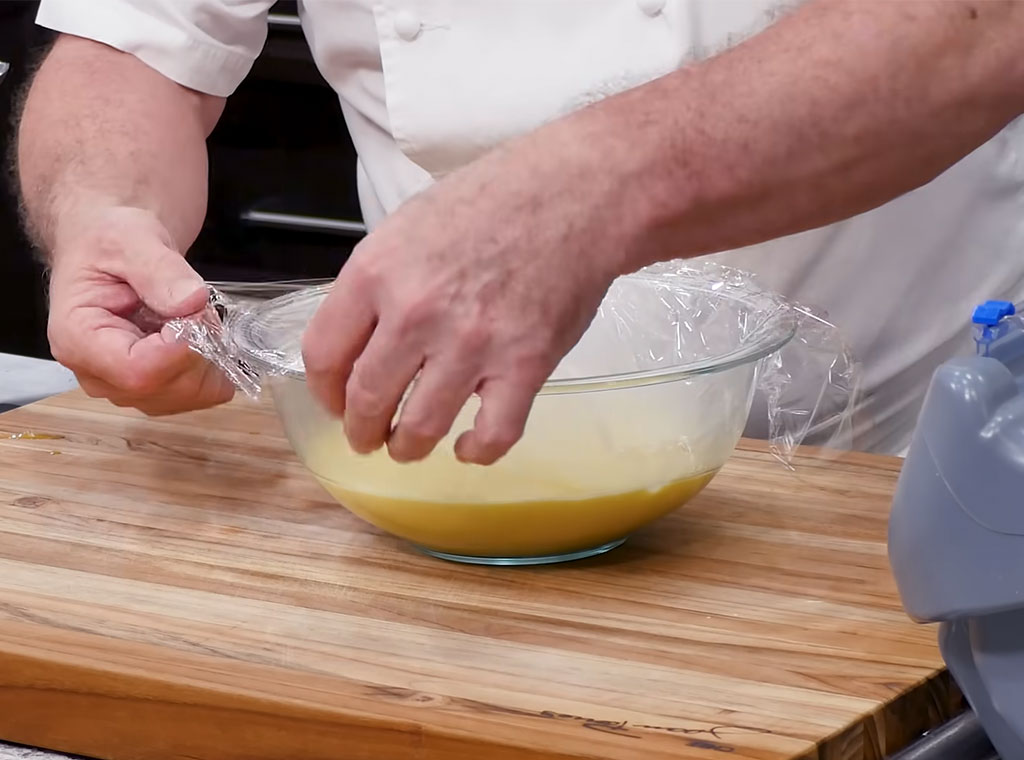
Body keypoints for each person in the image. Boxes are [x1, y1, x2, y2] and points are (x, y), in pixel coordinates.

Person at [16, 0, 1024, 466]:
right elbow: (132, 41)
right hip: (463, 468)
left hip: (922, 466)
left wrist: (588, 187)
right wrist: (106, 211)